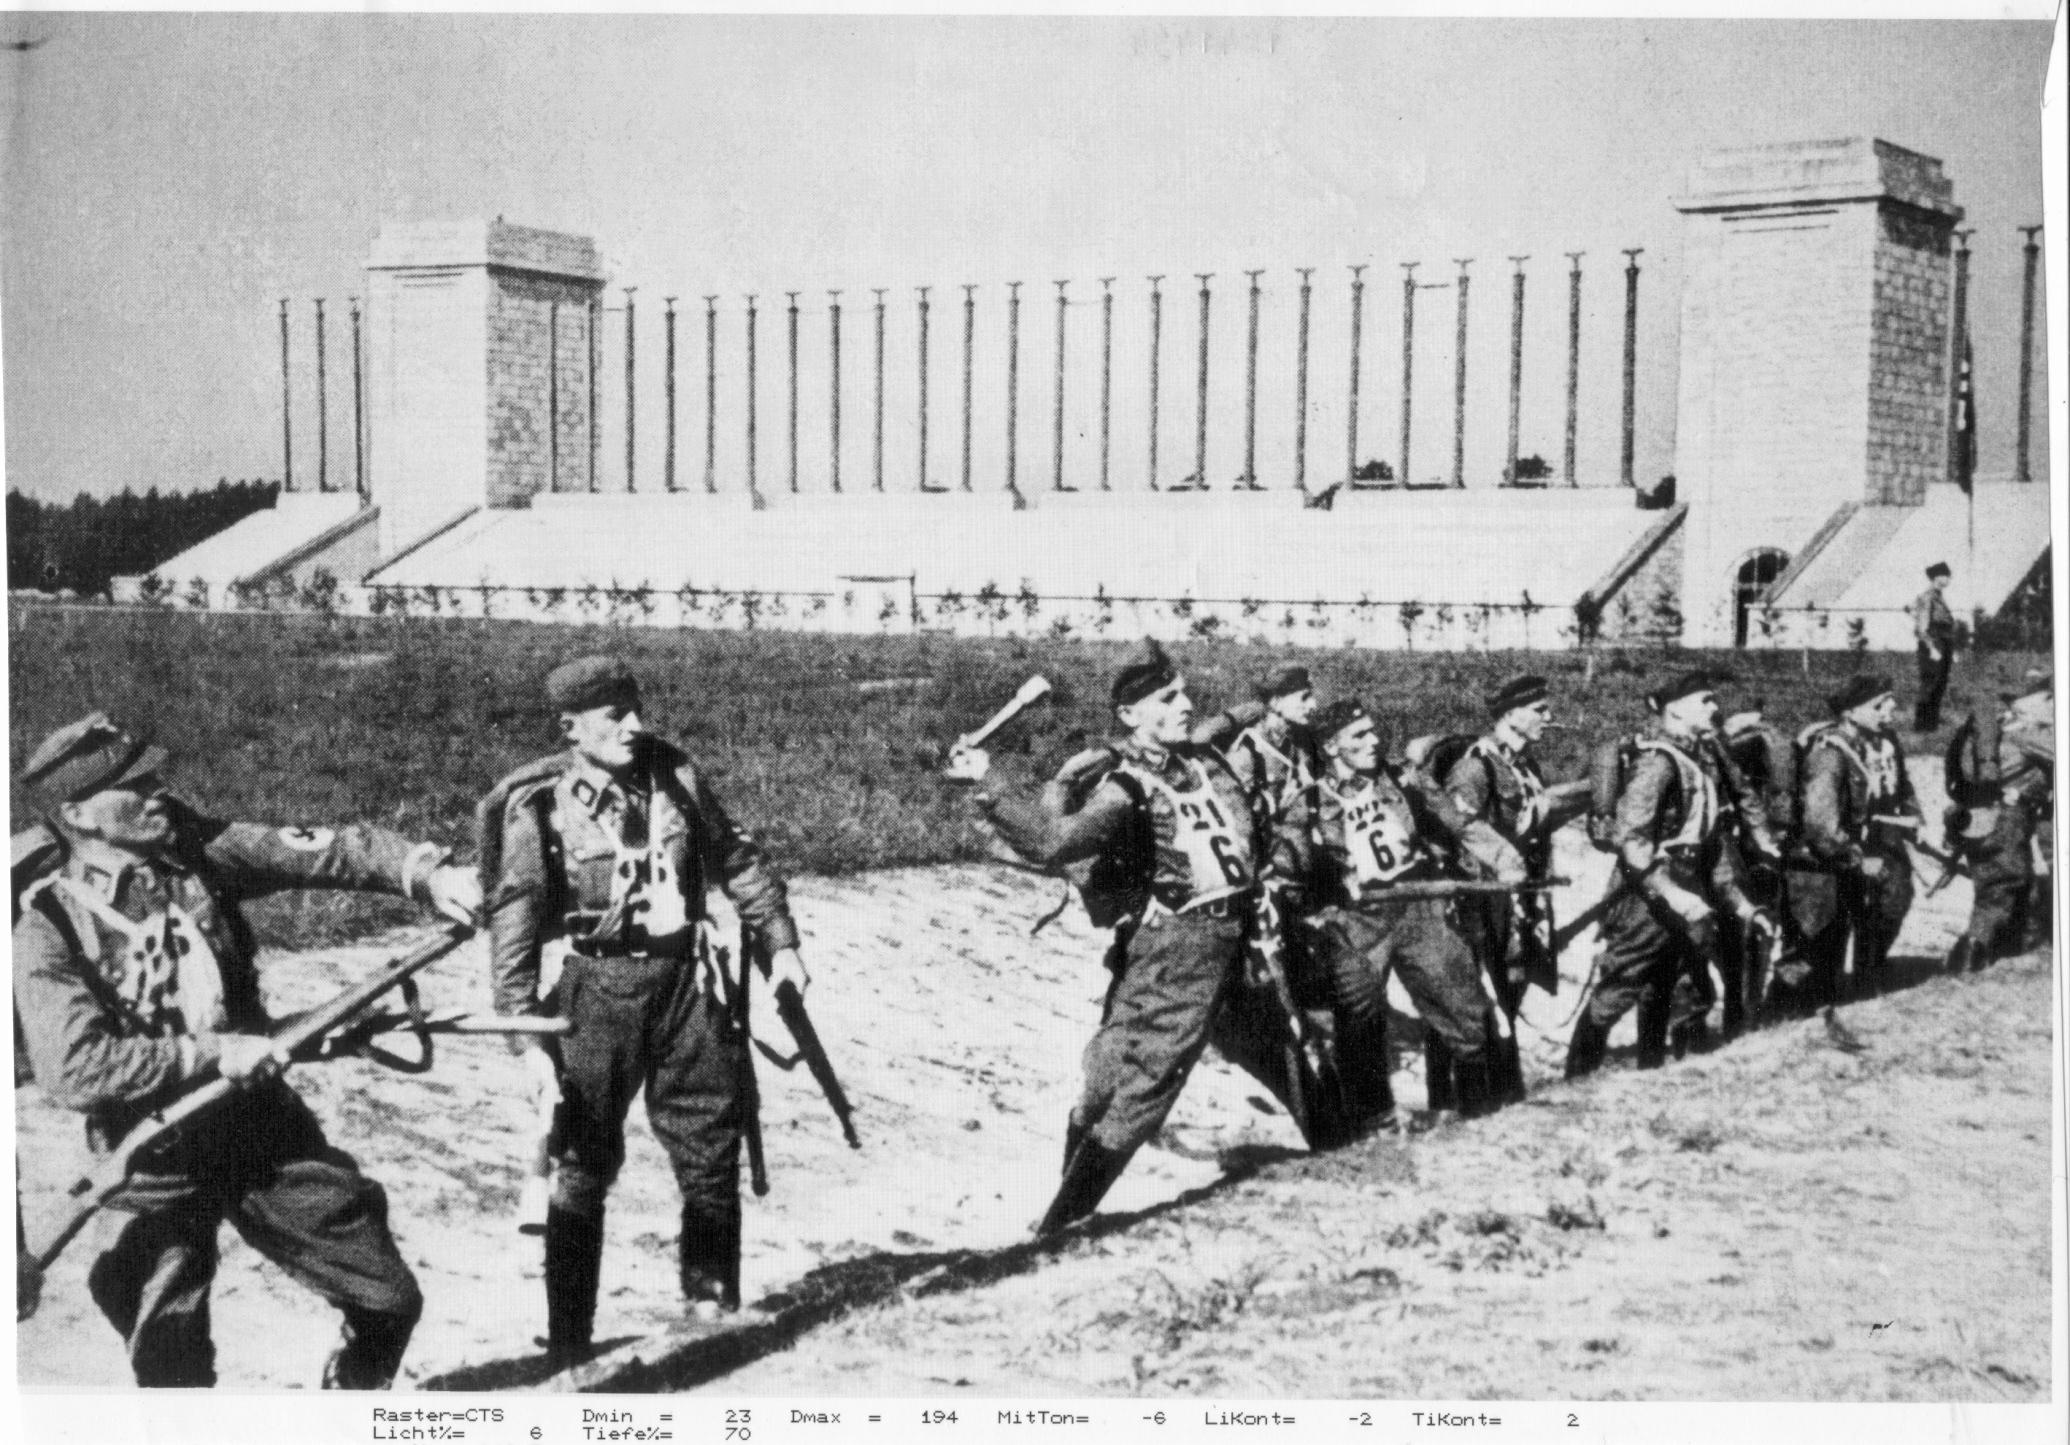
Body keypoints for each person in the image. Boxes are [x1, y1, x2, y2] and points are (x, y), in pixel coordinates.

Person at [11, 713, 480, 1388]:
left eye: (157, 777)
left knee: (389, 1297)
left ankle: (351, 1385)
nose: (159, 794)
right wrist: (214, 1052)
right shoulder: (48, 924)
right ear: (78, 813)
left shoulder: (198, 851)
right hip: (148, 1156)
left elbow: (327, 849)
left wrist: (428, 875)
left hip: (259, 1127)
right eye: (134, 785)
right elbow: (76, 1067)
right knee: (170, 1361)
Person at [480, 656, 810, 1369]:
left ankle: (712, 1307)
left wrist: (780, 943)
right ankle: (570, 1338)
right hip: (594, 995)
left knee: (710, 1141)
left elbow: (737, 860)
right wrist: (527, 1039)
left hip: (687, 982)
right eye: (612, 714)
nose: (634, 725)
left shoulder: (677, 777)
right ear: (571, 726)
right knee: (583, 1158)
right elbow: (513, 927)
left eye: (634, 708)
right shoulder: (541, 807)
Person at [945, 642, 1298, 1234]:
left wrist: (1260, 706)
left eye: (1184, 693)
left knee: (1187, 1066)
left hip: (1231, 939)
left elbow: (1225, 720)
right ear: (1132, 715)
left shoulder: (1200, 756)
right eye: (1168, 699)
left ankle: (1342, 1145)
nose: (1185, 705)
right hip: (1179, 946)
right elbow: (1055, 842)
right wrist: (989, 781)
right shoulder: (1127, 785)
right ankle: (1063, 1221)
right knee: (1120, 1079)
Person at [1288, 700, 1507, 1123]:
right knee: (1358, 1017)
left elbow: (1458, 822)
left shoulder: (1403, 780)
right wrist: (1312, 912)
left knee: (1463, 1006)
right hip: (1358, 919)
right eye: (1359, 736)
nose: (1374, 741)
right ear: (1332, 747)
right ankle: (1374, 1123)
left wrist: (1504, 858)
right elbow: (1287, 865)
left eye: (1373, 732)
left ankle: (1479, 1114)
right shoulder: (1309, 802)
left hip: (1416, 906)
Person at [1564, 674, 1777, 1078]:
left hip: (1685, 889)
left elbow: (1709, 848)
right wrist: (1673, 895)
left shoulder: (1697, 759)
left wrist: (1742, 906)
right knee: (1617, 991)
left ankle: (1651, 1075)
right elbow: (1632, 840)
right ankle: (1575, 1082)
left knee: (1666, 987)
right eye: (1705, 700)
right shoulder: (1659, 763)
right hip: (1644, 899)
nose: (1715, 708)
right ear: (1675, 709)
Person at [1441, 675, 1592, 1103]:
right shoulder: (1475, 766)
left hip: (1520, 901)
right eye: (1539, 710)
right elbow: (1462, 828)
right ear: (1510, 715)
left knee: (1511, 988)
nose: (1548, 717)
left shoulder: (1525, 767)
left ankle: (1506, 1092)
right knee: (1482, 996)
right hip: (1484, 901)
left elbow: (1533, 819)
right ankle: (1474, 1098)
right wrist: (1499, 873)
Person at [1788, 674, 1921, 1006]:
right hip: (1831, 854)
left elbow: (1901, 784)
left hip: (1878, 839)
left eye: (1890, 701)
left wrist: (1912, 815)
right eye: (1879, 705)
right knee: (1820, 939)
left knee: (1892, 903)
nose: (1889, 709)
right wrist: (1858, 859)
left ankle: (1865, 978)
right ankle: (1795, 1014)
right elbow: (1820, 822)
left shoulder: (1885, 740)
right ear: (1849, 712)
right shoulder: (1830, 751)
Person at [1946, 674, 2054, 973]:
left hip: (1974, 818)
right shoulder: (2026, 734)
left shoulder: (1999, 730)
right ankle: (1967, 957)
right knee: (2000, 888)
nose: (2055, 705)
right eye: (2048, 699)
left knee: (2013, 885)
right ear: (2028, 704)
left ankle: (2009, 949)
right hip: (2003, 820)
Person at [1911, 562, 1957, 731]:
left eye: (1948, 576)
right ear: (1936, 577)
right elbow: (1922, 628)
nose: (1948, 579)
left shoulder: (1939, 597)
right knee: (1930, 684)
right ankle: (1922, 725)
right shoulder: (1927, 597)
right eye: (1945, 575)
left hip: (1943, 643)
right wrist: (1932, 648)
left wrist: (1951, 650)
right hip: (1933, 644)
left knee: (1940, 684)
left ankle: (1931, 724)